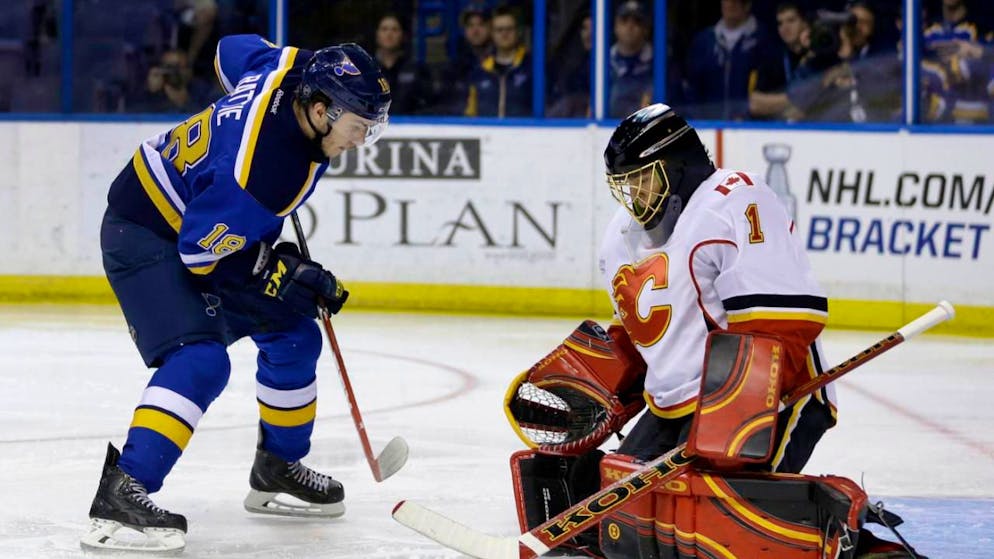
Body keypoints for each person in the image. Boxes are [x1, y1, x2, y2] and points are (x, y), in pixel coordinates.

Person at [504, 104, 923, 558]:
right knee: (625, 507)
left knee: (713, 522)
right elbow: (651, 338)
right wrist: (606, 380)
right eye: (625, 184)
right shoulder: (620, 237)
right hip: (678, 408)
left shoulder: (734, 202)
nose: (633, 195)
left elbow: (782, 326)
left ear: (678, 167)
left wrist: (730, 419)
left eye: (643, 178)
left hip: (769, 396)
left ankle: (862, 549)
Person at [81, 35, 390, 553]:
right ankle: (122, 491)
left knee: (293, 333)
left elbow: (230, 49)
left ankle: (276, 469)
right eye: (360, 127)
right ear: (320, 110)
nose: (362, 139)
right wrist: (277, 269)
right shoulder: (265, 175)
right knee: (201, 360)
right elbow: (200, 255)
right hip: (146, 231)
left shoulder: (292, 67)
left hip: (200, 212)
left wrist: (245, 109)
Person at [684, 0, 771, 120]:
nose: (729, 4)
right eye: (726, 1)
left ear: (747, 5)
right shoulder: (704, 41)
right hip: (708, 126)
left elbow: (768, 85)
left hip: (749, 128)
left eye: (735, 1)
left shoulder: (763, 39)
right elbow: (692, 88)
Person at [465, 4, 532, 117]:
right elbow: (470, 114)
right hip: (485, 133)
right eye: (499, 30)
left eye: (509, 29)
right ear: (492, 33)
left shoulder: (531, 68)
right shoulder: (480, 71)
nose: (504, 34)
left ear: (518, 32)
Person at [373, 13, 435, 115]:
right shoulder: (367, 70)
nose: (389, 34)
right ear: (377, 35)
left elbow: (429, 105)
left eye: (394, 29)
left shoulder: (417, 70)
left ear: (402, 35)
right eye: (384, 29)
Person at [128, 48, 212, 113]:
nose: (174, 72)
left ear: (188, 70)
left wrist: (184, 102)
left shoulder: (202, 91)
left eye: (178, 67)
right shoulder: (149, 97)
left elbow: (210, 118)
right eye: (169, 67)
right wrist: (150, 91)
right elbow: (132, 115)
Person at [609, 1, 653, 118]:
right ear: (615, 27)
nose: (630, 26)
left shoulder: (660, 66)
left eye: (637, 21)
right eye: (624, 20)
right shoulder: (600, 64)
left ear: (646, 29)